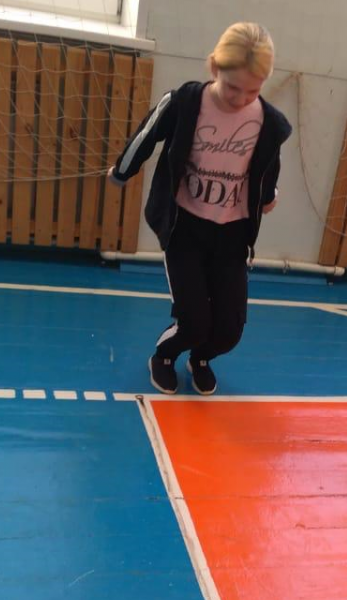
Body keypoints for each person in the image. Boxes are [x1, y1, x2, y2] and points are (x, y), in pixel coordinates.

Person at [108, 23, 291, 395]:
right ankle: (164, 355)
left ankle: (201, 358)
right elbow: (147, 134)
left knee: (229, 330)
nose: (241, 99)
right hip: (186, 228)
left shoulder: (269, 123)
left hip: (232, 235)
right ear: (214, 67)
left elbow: (267, 165)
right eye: (233, 88)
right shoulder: (186, 103)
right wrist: (122, 171)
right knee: (193, 322)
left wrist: (268, 194)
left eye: (253, 91)